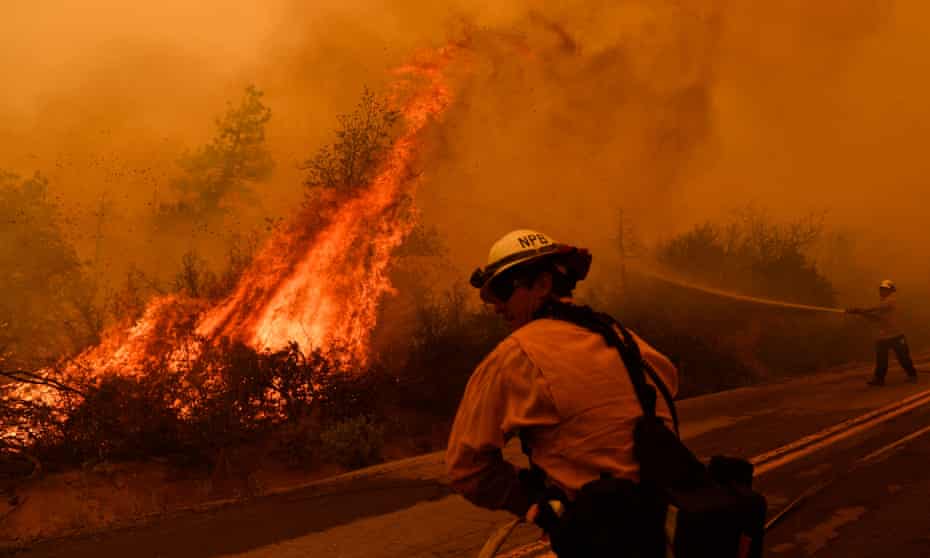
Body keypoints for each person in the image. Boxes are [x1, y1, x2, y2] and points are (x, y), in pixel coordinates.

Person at [445, 229, 679, 556]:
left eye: (502, 290)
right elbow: (668, 379)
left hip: (599, 542)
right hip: (664, 529)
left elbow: (466, 467)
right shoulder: (620, 336)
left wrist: (534, 502)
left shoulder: (514, 357)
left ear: (542, 285)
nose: (497, 306)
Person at [847, 279, 918, 386]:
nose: (882, 291)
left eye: (885, 289)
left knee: (903, 357)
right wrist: (860, 312)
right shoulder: (883, 302)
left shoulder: (892, 300)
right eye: (881, 289)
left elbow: (876, 313)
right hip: (883, 336)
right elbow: (874, 316)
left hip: (896, 335)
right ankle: (879, 379)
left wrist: (860, 311)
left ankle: (912, 375)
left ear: (891, 291)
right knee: (881, 360)